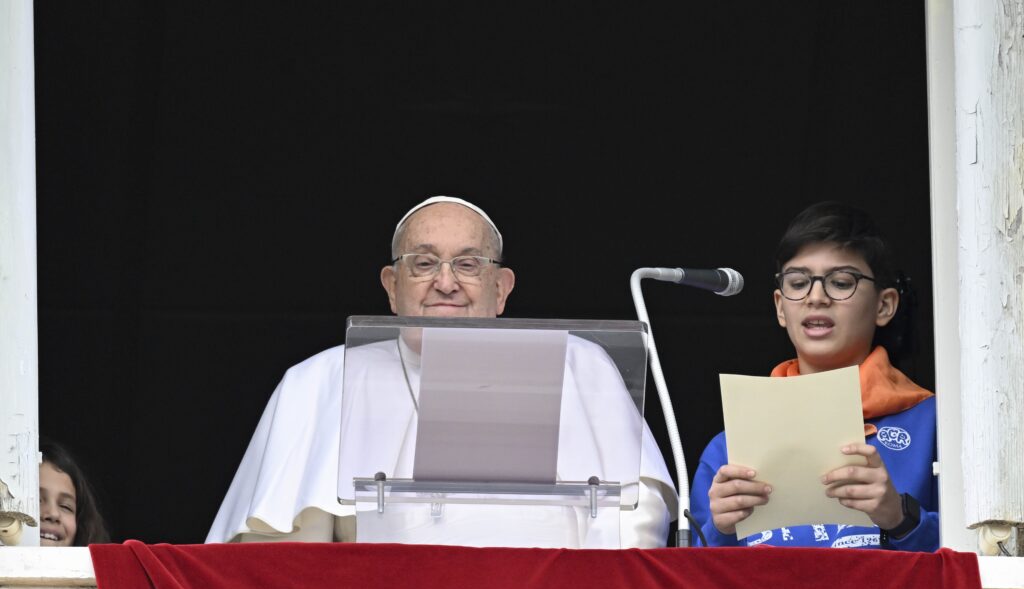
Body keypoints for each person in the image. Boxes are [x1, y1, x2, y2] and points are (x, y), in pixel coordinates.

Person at [207, 196, 677, 547]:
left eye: (468, 265)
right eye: (424, 263)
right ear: (392, 287)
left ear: (501, 289)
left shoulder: (580, 365)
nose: (446, 283)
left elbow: (636, 522)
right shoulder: (322, 380)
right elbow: (280, 554)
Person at [690, 201, 938, 551]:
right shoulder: (728, 449)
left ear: (884, 306)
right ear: (780, 306)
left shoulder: (936, 425)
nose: (816, 297)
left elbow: (986, 558)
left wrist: (901, 518)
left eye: (840, 282)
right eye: (798, 282)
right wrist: (720, 532)